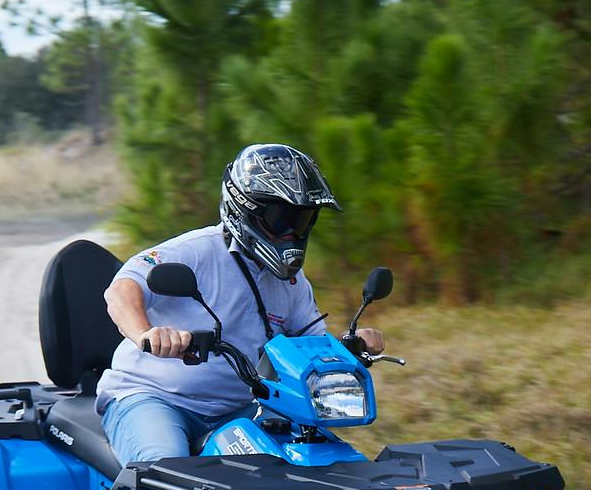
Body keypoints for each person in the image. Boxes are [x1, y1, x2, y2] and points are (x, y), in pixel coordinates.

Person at [97, 143, 385, 466]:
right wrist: (145, 333)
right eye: (281, 220)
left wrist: (351, 346)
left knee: (313, 459)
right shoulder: (196, 252)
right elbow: (121, 290)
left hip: (241, 409)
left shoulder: (292, 282)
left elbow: (312, 345)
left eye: (301, 222)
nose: (292, 235)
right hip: (154, 397)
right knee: (165, 471)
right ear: (246, 210)